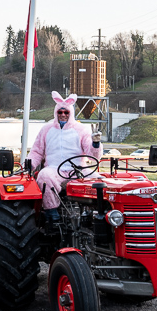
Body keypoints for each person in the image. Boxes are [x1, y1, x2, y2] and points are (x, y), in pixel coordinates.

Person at [28, 92, 101, 223]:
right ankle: (51, 211)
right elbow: (37, 151)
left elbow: (92, 155)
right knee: (44, 176)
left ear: (70, 113)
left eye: (66, 112)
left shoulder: (81, 129)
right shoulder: (46, 129)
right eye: (60, 112)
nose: (63, 115)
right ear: (56, 113)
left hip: (78, 170)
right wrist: (28, 166)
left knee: (100, 181)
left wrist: (96, 144)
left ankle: (97, 213)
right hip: (54, 169)